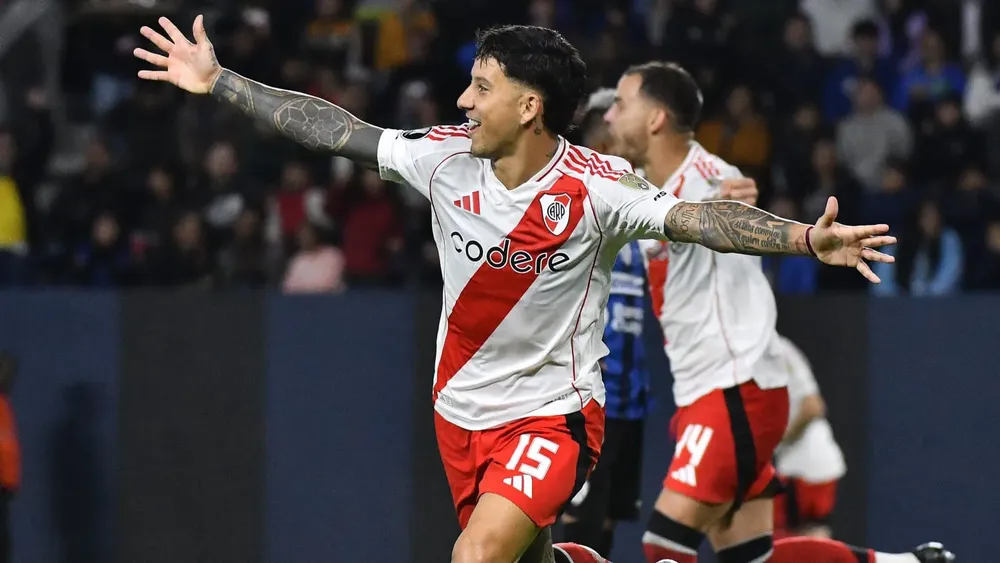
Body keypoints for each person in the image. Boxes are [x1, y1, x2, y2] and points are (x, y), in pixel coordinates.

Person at [135, 19, 897, 563]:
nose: (463, 101)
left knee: (477, 556)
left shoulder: (600, 189)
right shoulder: (441, 160)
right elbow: (334, 128)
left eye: (481, 86)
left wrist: (805, 237)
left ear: (529, 106)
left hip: (553, 417)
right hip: (460, 416)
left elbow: (700, 218)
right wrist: (221, 82)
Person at [602, 60, 953, 563]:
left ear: (656, 118)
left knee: (663, 543)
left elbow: (734, 216)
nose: (611, 117)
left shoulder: (711, 182)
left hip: (733, 386)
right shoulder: (642, 185)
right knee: (751, 557)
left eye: (621, 104)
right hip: (712, 389)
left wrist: (806, 238)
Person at [770, 334, 845, 540]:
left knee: (799, 541)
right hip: (802, 465)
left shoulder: (772, 350)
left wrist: (780, 439)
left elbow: (812, 406)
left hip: (804, 466)